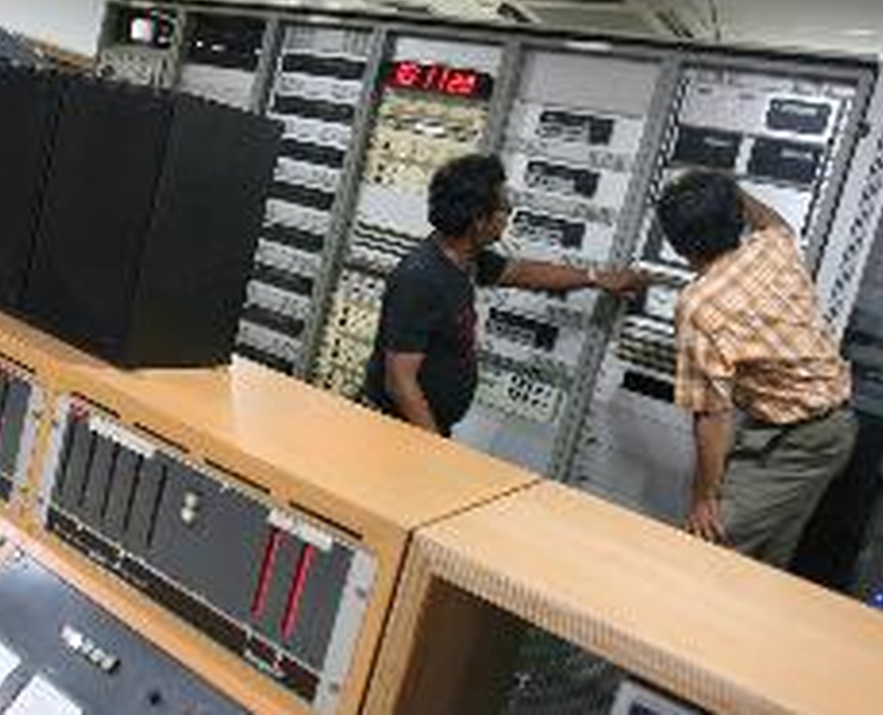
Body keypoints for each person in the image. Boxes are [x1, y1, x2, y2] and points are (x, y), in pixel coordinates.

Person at [361, 153, 649, 437]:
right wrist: (436, 451)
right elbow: (400, 381)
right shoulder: (422, 278)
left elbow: (522, 272)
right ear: (478, 221)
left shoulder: (465, 259)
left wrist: (595, 278)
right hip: (395, 431)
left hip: (421, 430)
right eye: (503, 207)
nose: (509, 214)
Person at [656, 168, 856, 568]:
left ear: (678, 246)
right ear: (735, 217)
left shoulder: (699, 304)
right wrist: (726, 189)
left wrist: (704, 499)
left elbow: (712, 415)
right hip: (830, 429)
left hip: (799, 441)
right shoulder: (771, 247)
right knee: (764, 562)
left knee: (705, 548)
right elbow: (774, 222)